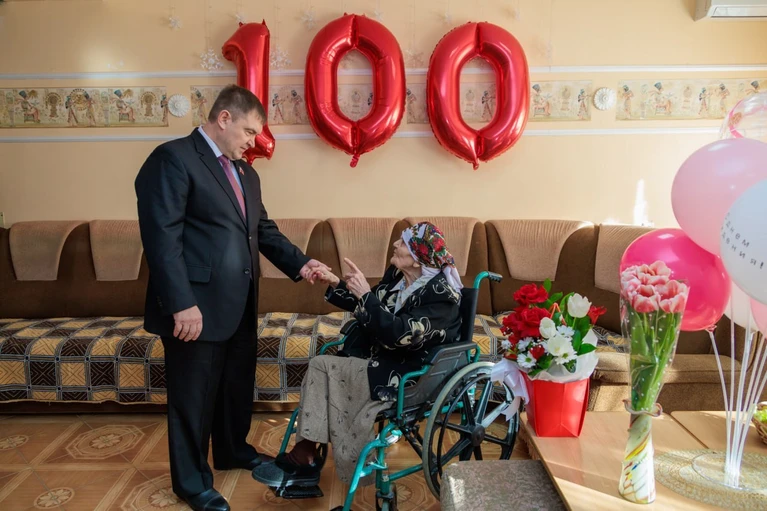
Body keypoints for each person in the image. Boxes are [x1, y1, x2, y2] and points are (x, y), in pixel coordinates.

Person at [135, 84, 329, 511]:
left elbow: (263, 232)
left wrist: (302, 264)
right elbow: (161, 239)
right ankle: (192, 483)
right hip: (194, 307)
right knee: (193, 399)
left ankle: (232, 450)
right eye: (249, 131)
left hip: (239, 302)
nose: (252, 142)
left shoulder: (246, 174)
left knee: (234, 387)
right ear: (224, 118)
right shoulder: (173, 159)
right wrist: (181, 303)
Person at [252, 222, 463, 489]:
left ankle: (305, 456)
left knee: (322, 365)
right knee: (324, 366)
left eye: (403, 243)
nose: (395, 244)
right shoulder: (399, 277)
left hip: (409, 372)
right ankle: (304, 455)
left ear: (418, 258)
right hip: (380, 359)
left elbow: (399, 334)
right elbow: (369, 307)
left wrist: (365, 294)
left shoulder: (441, 295)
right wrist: (337, 283)